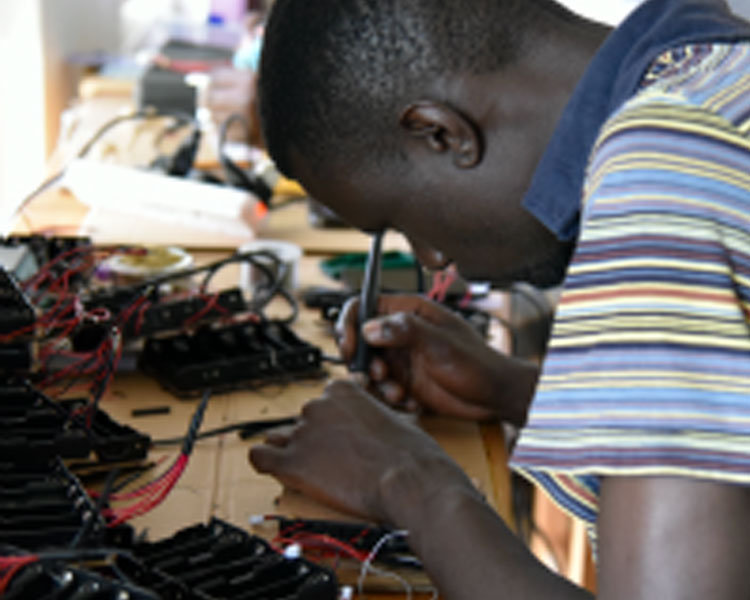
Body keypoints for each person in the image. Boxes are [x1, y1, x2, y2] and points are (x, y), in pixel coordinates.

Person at [249, 0, 750, 597]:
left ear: (441, 132)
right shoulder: (716, 74)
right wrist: (512, 388)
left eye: (399, 220)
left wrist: (410, 481)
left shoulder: (666, 168)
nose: (430, 258)